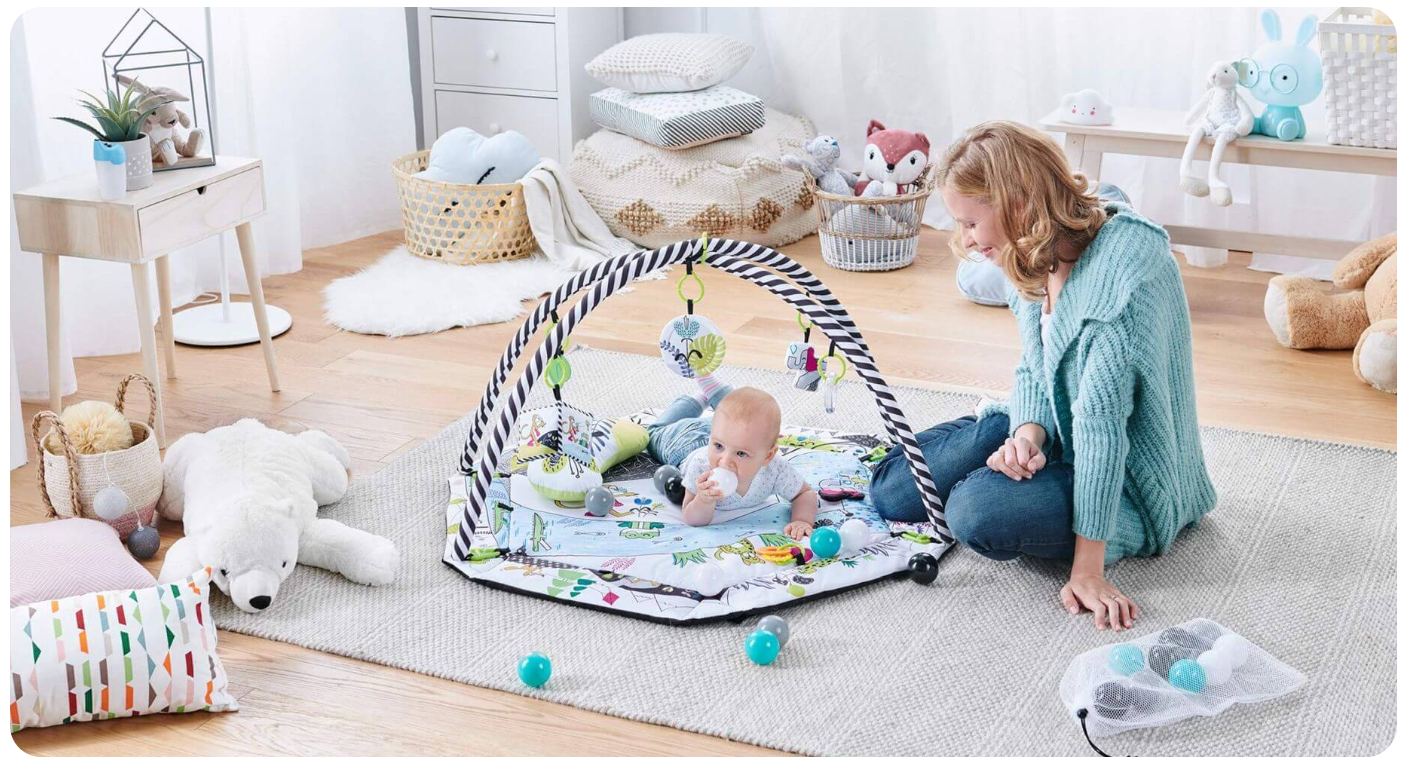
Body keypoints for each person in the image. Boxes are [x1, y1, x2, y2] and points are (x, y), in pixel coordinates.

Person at [869, 120, 1216, 631]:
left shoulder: (1116, 289)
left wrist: (1088, 571)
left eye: (971, 223)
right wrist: (1027, 436)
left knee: (973, 510)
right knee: (892, 493)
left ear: (1018, 205)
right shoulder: (1031, 254)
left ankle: (1005, 465)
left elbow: (1100, 433)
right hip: (1059, 430)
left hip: (1128, 484)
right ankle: (1006, 438)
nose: (966, 240)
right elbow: (1035, 366)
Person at [646, 381, 818, 538]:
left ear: (767, 456)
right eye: (719, 447)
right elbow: (692, 518)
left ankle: (713, 395)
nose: (725, 461)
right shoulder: (701, 467)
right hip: (684, 444)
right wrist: (703, 500)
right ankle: (696, 400)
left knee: (740, 416)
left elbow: (804, 493)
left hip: (725, 432)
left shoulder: (776, 470)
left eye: (741, 454)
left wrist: (802, 520)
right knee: (653, 433)